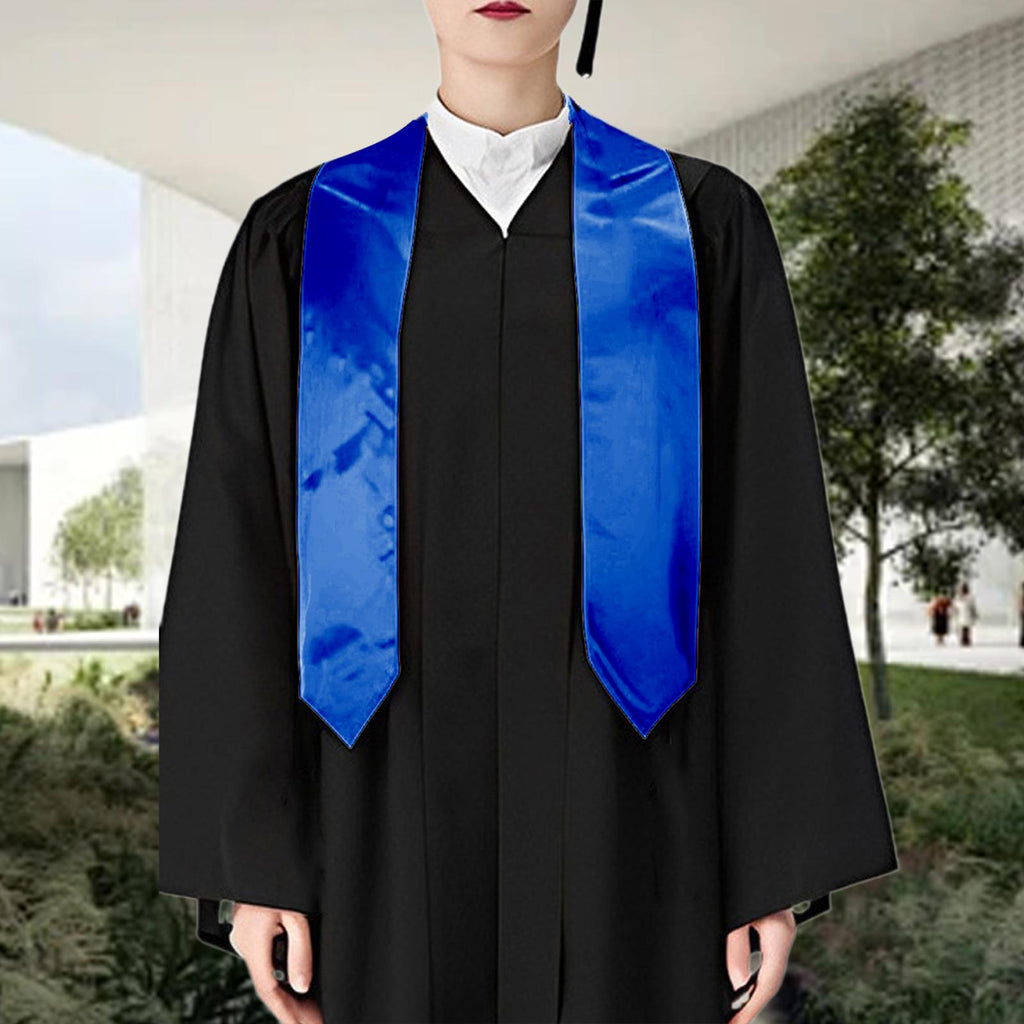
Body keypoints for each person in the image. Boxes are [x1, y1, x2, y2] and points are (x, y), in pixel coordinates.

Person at [158, 2, 899, 1022]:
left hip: (635, 802)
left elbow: (766, 545)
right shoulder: (304, 240)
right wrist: (256, 859)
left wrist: (766, 858)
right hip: (377, 809)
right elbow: (233, 554)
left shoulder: (699, 228)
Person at [952, 581, 979, 646]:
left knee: (966, 628)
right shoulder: (957, 597)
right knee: (961, 628)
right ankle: (963, 639)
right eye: (961, 588)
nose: (963, 589)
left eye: (964, 588)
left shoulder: (970, 597)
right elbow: (955, 606)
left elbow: (973, 606)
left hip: (967, 614)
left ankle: (966, 639)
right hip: (960, 614)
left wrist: (975, 613)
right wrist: (954, 613)